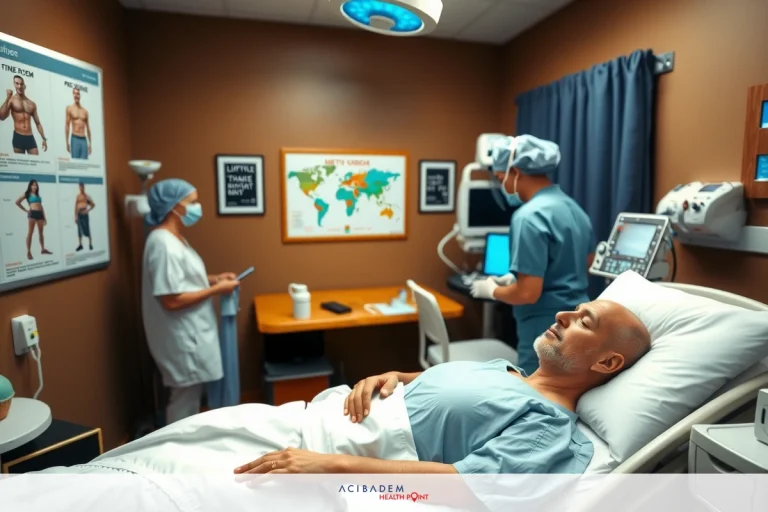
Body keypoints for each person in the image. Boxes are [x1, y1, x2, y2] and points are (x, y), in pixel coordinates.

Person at [42, 299, 649, 481]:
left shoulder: (551, 429)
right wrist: (393, 376)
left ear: (609, 362)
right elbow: (440, 387)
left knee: (163, 483)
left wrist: (327, 465)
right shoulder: (503, 370)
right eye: (574, 310)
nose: (567, 316)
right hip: (310, 415)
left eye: (585, 322)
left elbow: (470, 489)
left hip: (331, 454)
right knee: (169, 442)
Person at [470, 134, 595, 376]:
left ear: (515, 172)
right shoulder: (574, 208)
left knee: (537, 391)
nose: (503, 186)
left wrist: (492, 290)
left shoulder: (528, 217)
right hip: (578, 321)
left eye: (500, 178)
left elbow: (528, 293)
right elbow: (586, 262)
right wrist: (520, 277)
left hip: (544, 326)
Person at [141, 178, 240, 424]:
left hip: (190, 333)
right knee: (184, 400)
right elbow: (171, 299)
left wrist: (214, 279)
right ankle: (173, 450)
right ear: (174, 206)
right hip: (182, 337)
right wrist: (217, 290)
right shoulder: (163, 244)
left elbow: (182, 279)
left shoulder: (175, 239)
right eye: (192, 202)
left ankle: (183, 443)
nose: (197, 207)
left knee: (191, 398)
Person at [0, 75, 48, 154]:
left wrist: (43, 138)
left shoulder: (31, 104)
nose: (19, 86)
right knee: (20, 164)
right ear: (14, 84)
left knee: (35, 162)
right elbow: (2, 117)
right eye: (17, 83)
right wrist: (8, 97)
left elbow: (38, 123)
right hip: (18, 136)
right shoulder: (12, 100)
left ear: (24, 86)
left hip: (30, 137)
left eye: (21, 84)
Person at [15, 179, 53, 260]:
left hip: (40, 214)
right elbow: (17, 202)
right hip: (32, 214)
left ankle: (43, 249)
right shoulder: (27, 194)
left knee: (41, 233)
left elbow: (41, 206)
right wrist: (26, 210)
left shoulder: (38, 195)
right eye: (33, 185)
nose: (35, 186)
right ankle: (28, 252)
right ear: (30, 186)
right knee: (30, 233)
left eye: (36, 185)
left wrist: (44, 217)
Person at [65, 87, 91, 159]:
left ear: (80, 95)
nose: (76, 95)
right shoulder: (69, 108)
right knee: (75, 164)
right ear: (73, 95)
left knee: (84, 165)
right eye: (75, 93)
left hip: (83, 140)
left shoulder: (85, 111)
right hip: (75, 138)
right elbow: (67, 125)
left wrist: (90, 144)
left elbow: (88, 128)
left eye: (78, 94)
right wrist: (67, 142)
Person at [74, 182, 95, 251]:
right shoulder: (78, 196)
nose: (81, 188)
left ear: (84, 187)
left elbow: (93, 205)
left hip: (85, 214)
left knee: (87, 229)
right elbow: (76, 206)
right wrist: (76, 216)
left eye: (82, 187)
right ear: (79, 187)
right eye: (80, 187)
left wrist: (87, 210)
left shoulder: (87, 196)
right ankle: (80, 245)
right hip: (79, 214)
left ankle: (90, 244)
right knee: (79, 230)